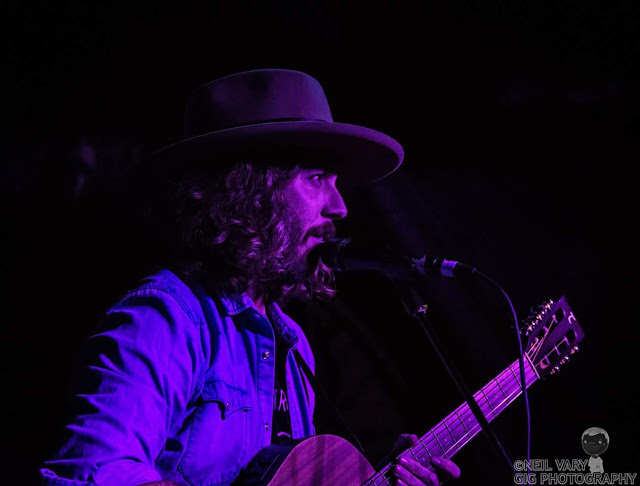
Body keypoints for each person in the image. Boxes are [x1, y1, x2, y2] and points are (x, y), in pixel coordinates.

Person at [40, 69, 461, 486]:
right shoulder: (166, 318)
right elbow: (96, 473)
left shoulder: (294, 347)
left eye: (336, 183)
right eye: (317, 178)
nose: (340, 206)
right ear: (252, 190)